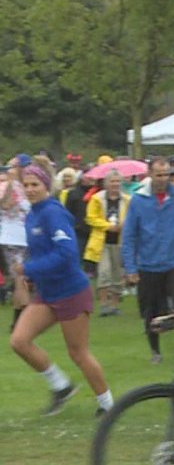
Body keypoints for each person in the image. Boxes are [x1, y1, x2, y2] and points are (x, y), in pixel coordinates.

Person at [9, 159, 113, 417]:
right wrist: (31, 273)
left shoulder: (53, 212)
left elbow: (67, 254)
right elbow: (41, 250)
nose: (30, 189)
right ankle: (61, 386)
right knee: (19, 341)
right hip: (47, 293)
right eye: (26, 185)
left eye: (35, 184)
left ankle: (109, 405)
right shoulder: (32, 213)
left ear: (46, 185)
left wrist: (30, 269)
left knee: (78, 353)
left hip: (71, 292)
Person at [121, 158, 174, 363]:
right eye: (159, 175)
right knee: (150, 309)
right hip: (148, 262)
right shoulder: (138, 200)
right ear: (150, 174)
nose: (163, 179)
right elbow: (129, 236)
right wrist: (130, 267)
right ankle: (155, 350)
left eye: (166, 175)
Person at [85, 170, 129, 317]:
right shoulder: (97, 199)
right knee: (104, 272)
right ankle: (104, 304)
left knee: (117, 273)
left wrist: (123, 224)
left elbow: (131, 217)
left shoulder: (127, 200)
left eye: (117, 181)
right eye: (112, 181)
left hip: (120, 241)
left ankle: (115, 305)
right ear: (106, 183)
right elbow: (90, 218)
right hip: (102, 240)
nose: (115, 184)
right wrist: (107, 226)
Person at [1, 159, 31, 330]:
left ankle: (19, 318)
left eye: (11, 166)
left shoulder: (19, 186)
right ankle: (21, 317)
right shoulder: (12, 187)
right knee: (19, 279)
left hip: (15, 238)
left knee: (19, 279)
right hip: (15, 237)